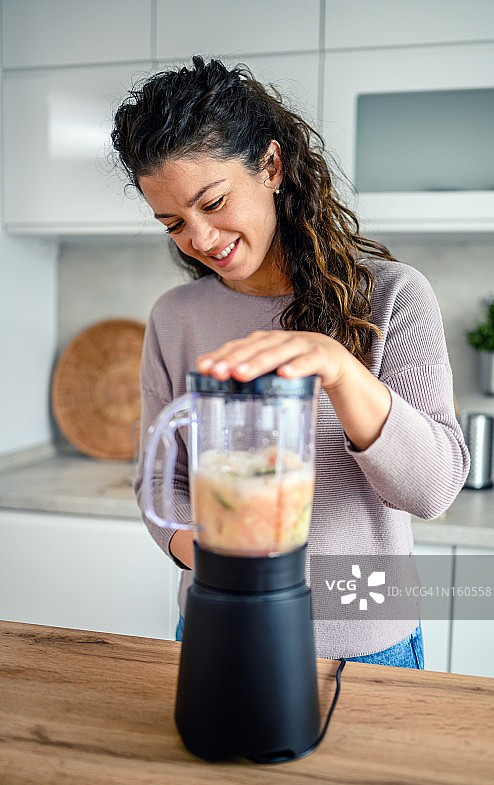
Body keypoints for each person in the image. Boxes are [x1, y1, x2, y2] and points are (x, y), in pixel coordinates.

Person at [112, 56, 469, 668]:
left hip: (363, 644)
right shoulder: (176, 318)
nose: (199, 238)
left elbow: (433, 488)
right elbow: (160, 481)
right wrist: (218, 553)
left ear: (271, 167)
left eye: (213, 201)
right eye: (173, 222)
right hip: (217, 628)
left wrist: (337, 365)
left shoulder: (391, 297)